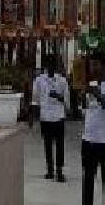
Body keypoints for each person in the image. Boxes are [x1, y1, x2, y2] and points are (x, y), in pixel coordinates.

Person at [81, 51, 105, 205]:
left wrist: (100, 97)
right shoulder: (91, 86)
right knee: (88, 180)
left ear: (104, 66)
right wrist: (83, 103)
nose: (92, 68)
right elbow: (87, 112)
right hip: (89, 139)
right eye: (91, 65)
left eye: (95, 64)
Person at [31, 54, 69, 182]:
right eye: (49, 65)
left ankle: (59, 171)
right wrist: (32, 116)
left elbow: (67, 102)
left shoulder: (62, 81)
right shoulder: (39, 80)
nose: (52, 67)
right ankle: (50, 170)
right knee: (47, 144)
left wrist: (58, 96)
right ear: (46, 66)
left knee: (60, 145)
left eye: (54, 64)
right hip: (45, 116)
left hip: (58, 116)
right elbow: (35, 99)